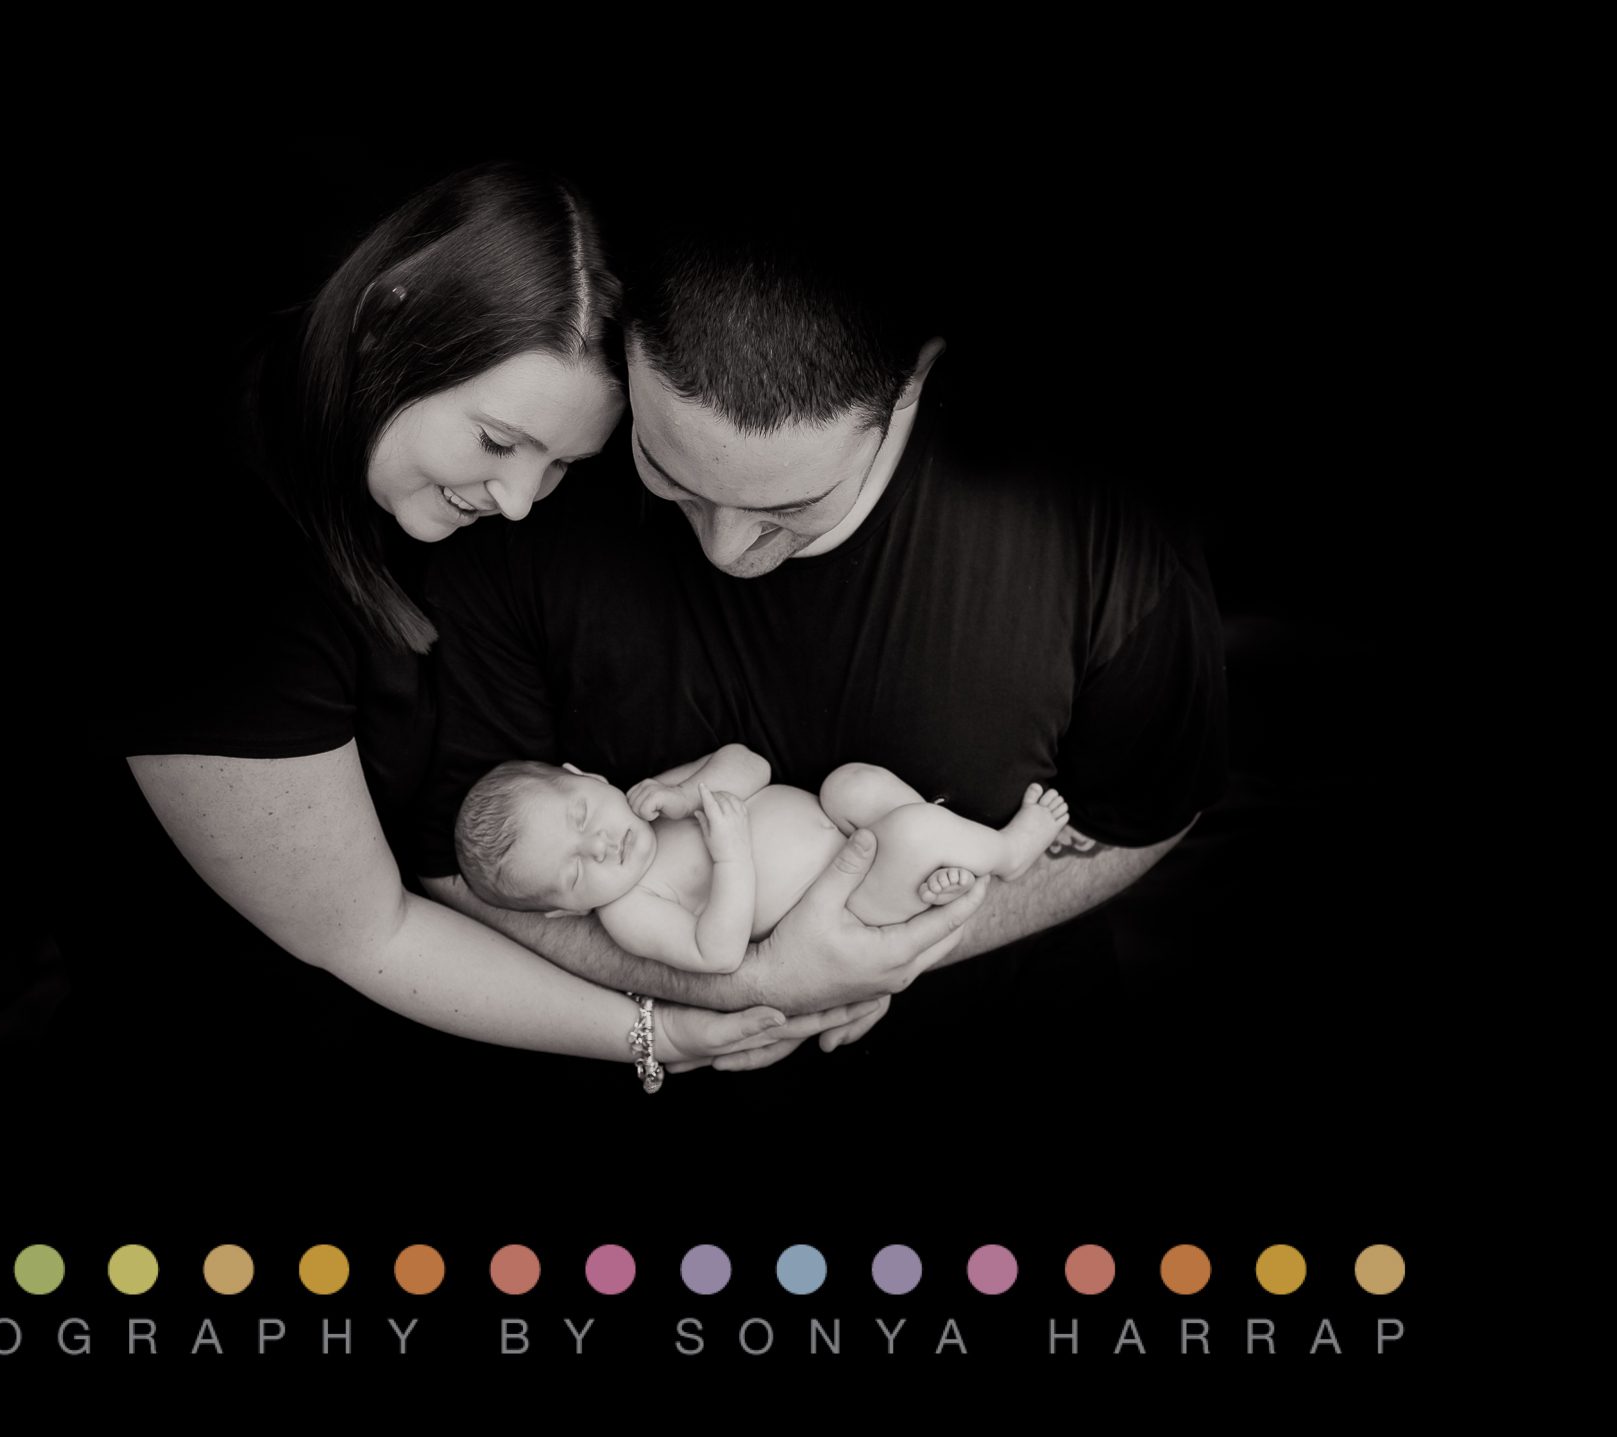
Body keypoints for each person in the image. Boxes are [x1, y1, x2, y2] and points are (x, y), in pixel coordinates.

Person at [90, 162, 887, 1087]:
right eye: (500, 442)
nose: (516, 500)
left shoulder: (414, 467)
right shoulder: (210, 577)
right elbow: (367, 933)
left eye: (560, 464)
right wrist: (663, 1033)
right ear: (387, 322)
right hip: (264, 1037)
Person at [413, 194, 1229, 1068]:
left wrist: (887, 952)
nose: (726, 550)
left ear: (910, 383)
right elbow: (449, 861)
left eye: (788, 507)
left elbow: (1145, 812)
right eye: (668, 470)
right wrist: (749, 985)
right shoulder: (522, 496)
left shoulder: (1103, 536)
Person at [454, 746, 1071, 974]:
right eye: (573, 873)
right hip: (846, 901)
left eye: (582, 816)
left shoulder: (652, 801)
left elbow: (751, 764)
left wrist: (687, 793)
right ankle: (1006, 852)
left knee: (852, 782)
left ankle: (935, 865)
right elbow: (718, 954)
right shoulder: (628, 910)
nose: (597, 845)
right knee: (908, 830)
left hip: (843, 823)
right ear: (566, 913)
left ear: (585, 776)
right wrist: (729, 856)